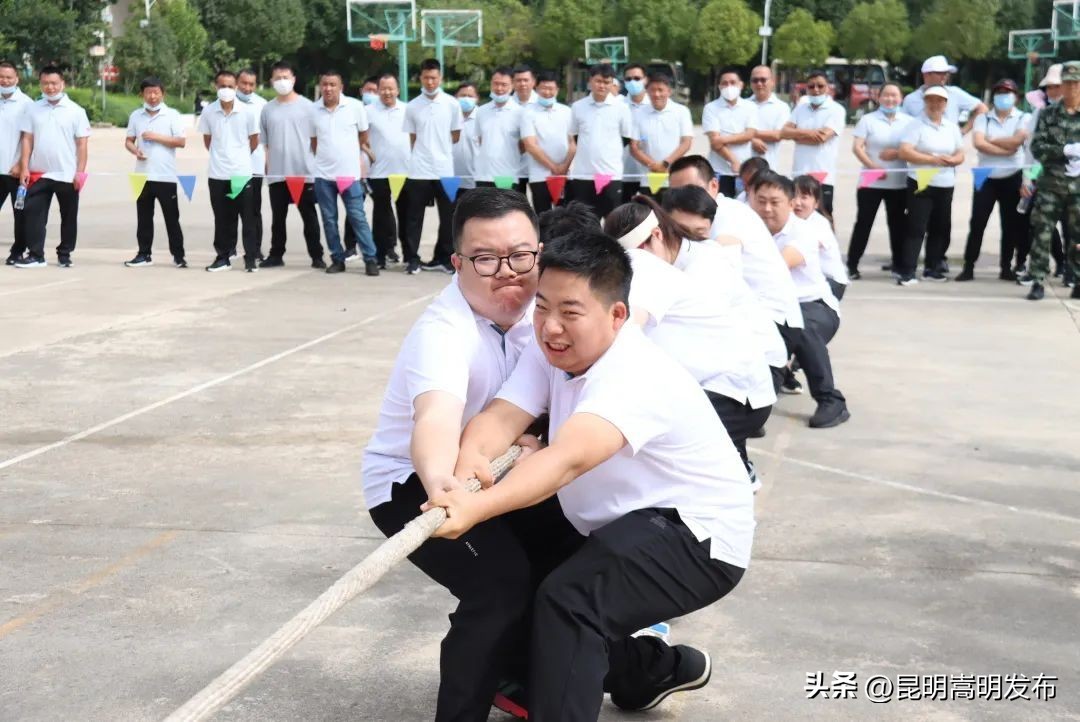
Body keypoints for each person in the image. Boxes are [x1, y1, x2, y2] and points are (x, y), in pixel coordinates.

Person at [425, 227, 753, 722]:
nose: (550, 326)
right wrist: (470, 460)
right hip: (615, 520)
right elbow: (503, 416)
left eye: (570, 312)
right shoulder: (552, 351)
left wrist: (477, 506)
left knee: (571, 601)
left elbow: (566, 460)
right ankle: (647, 672)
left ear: (617, 314)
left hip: (696, 535)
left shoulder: (634, 374)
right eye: (542, 307)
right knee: (513, 577)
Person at [363, 189, 573, 722]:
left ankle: (636, 670)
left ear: (540, 253)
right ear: (457, 263)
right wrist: (440, 482)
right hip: (416, 485)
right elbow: (434, 417)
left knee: (582, 569)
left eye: (521, 255)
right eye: (484, 258)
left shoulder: (544, 315)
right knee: (499, 587)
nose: (507, 272)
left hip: (498, 472)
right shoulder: (443, 331)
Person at [604, 194, 782, 482]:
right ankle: (737, 466)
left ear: (657, 235)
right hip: (721, 375)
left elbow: (634, 325)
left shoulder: (703, 265)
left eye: (633, 259)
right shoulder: (667, 261)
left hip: (743, 384)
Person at [668, 156, 805, 395]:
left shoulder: (727, 217)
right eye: (676, 191)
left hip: (773, 320)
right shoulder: (697, 217)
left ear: (714, 186)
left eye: (691, 189)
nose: (685, 198)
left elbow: (718, 278)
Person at [751, 171, 849, 428]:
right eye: (761, 201)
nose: (767, 208)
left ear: (790, 202)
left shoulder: (804, 231)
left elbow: (778, 267)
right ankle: (752, 412)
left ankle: (831, 400)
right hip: (766, 307)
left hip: (812, 305)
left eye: (775, 202)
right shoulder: (749, 228)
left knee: (799, 325)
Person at [13, 66, 90, 269]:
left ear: (62, 84)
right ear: (41, 84)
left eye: (54, 83)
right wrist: (24, 167)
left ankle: (65, 254)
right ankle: (36, 255)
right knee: (33, 213)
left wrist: (80, 172)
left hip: (67, 174)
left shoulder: (76, 111)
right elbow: (27, 139)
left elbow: (82, 144)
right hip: (39, 173)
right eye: (46, 83)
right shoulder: (33, 109)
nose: (50, 87)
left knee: (68, 216)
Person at [957, 79, 1030, 282]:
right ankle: (968, 266)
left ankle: (1006, 267)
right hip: (985, 175)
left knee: (1010, 225)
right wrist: (1006, 148)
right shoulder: (983, 118)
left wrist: (993, 141)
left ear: (1016, 96)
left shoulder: (1024, 117)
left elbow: (1018, 142)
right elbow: (979, 143)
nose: (1003, 96)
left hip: (1012, 175)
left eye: (1008, 92)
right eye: (999, 92)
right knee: (977, 223)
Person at [310, 69, 378, 276]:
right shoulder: (313, 110)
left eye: (332, 84)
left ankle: (370, 258)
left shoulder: (355, 107)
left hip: (349, 175)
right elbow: (314, 142)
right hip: (323, 176)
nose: (328, 88)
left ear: (341, 87)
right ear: (320, 86)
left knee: (358, 217)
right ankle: (337, 258)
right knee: (329, 220)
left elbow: (363, 136)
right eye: (325, 84)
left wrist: (347, 155)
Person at [259, 60, 325, 269]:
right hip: (277, 173)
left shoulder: (308, 107)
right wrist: (267, 168)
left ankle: (317, 255)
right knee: (278, 219)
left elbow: (317, 140)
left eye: (285, 77)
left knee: (310, 218)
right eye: (277, 78)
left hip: (304, 173)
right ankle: (276, 254)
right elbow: (265, 143)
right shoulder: (267, 110)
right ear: (271, 81)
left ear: (294, 79)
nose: (282, 81)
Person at [896, 86, 965, 285]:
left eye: (939, 101)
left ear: (945, 104)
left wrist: (953, 161)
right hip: (921, 181)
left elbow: (960, 153)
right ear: (925, 102)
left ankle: (932, 268)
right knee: (916, 227)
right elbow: (905, 151)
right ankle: (908, 270)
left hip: (945, 183)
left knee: (940, 227)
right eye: (931, 100)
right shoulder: (915, 125)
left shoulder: (951, 127)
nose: (935, 105)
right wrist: (931, 159)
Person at [1025, 61, 1080, 302]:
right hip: (1051, 185)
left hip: (1078, 186)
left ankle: (1077, 278)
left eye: (1076, 83)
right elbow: (1037, 147)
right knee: (1042, 233)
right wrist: (1064, 150)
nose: (1072, 88)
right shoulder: (1048, 114)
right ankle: (1037, 280)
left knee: (1078, 236)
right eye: (1067, 84)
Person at [195, 70, 259, 272]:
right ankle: (223, 256)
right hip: (217, 174)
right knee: (222, 219)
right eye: (222, 86)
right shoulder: (208, 112)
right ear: (216, 87)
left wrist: (238, 158)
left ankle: (250, 258)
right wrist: (220, 155)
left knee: (247, 218)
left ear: (237, 88)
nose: (226, 90)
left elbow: (254, 140)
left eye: (230, 86)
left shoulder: (247, 112)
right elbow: (207, 140)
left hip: (240, 173)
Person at [847, 82, 913, 279]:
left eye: (894, 95)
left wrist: (898, 153)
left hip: (898, 181)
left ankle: (899, 265)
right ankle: (852, 265)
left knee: (897, 225)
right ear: (878, 97)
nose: (890, 99)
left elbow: (914, 148)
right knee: (864, 223)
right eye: (886, 95)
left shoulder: (909, 122)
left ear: (901, 98)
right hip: (870, 179)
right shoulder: (868, 120)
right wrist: (873, 166)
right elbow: (857, 147)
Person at [405, 59, 463, 275]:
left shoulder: (452, 104)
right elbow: (413, 138)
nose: (430, 82)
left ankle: (444, 258)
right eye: (426, 77)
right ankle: (412, 258)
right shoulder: (412, 106)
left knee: (448, 217)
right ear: (420, 77)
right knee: (414, 217)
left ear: (440, 78)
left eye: (434, 78)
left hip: (445, 169)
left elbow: (455, 135)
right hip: (419, 170)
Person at [123, 77, 187, 269]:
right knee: (143, 218)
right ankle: (144, 254)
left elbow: (181, 142)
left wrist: (156, 136)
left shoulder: (173, 115)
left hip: (165, 175)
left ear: (162, 93)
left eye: (156, 92)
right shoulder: (136, 116)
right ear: (142, 94)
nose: (152, 96)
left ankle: (178, 255)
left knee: (171, 217)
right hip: (141, 175)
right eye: (148, 93)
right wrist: (134, 150)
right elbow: (128, 141)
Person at [1019, 64, 1070, 282]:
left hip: (1074, 182)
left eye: (1058, 86)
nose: (1054, 91)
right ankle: (1037, 273)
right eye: (1049, 87)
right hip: (1045, 178)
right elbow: (1031, 149)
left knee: (1072, 229)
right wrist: (1027, 178)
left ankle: (1071, 271)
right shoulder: (1040, 114)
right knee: (1041, 226)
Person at [568, 64, 632, 218]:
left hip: (611, 174)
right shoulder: (578, 107)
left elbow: (626, 138)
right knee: (586, 222)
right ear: (590, 81)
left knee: (613, 221)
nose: (602, 85)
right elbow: (575, 136)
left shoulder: (622, 108)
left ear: (612, 83)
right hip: (583, 175)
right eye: (598, 81)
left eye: (606, 82)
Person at [781, 70, 846, 215]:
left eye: (820, 86)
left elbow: (822, 138)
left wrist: (796, 135)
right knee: (798, 216)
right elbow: (784, 132)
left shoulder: (836, 110)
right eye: (811, 86)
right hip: (799, 173)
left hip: (823, 175)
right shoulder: (800, 108)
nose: (816, 90)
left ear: (828, 87)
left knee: (824, 216)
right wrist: (811, 133)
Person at [366, 72, 410, 269]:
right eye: (383, 88)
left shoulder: (408, 110)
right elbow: (360, 138)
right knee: (381, 216)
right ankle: (380, 255)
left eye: (391, 88)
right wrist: (367, 152)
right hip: (378, 172)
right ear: (378, 90)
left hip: (406, 171)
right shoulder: (368, 111)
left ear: (397, 90)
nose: (387, 92)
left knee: (407, 215)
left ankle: (410, 255)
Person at [628, 72, 693, 192]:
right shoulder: (638, 114)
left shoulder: (681, 111)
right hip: (648, 179)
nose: (656, 94)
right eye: (652, 90)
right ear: (647, 91)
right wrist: (652, 165)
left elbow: (686, 143)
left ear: (669, 91)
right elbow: (634, 147)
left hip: (674, 177)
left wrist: (666, 163)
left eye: (660, 90)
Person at [520, 70, 575, 214]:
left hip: (565, 174)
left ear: (557, 90)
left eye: (551, 88)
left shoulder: (567, 112)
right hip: (539, 175)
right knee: (542, 215)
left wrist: (564, 167)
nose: (547, 92)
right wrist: (553, 167)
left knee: (565, 216)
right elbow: (530, 145)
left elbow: (573, 143)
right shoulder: (528, 112)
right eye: (543, 88)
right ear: (536, 88)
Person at [701, 68, 758, 198]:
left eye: (733, 82)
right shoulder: (711, 108)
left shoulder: (750, 107)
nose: (729, 86)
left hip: (745, 171)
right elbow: (714, 143)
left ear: (741, 85)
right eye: (724, 83)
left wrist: (722, 139)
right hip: (718, 170)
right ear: (719, 86)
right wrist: (733, 161)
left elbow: (749, 135)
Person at [793, 174, 849, 300]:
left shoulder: (819, 224)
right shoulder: (793, 220)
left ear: (816, 203)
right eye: (794, 197)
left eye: (804, 197)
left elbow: (804, 248)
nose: (797, 202)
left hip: (832, 281)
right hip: (812, 279)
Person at [901, 55, 987, 134]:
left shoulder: (955, 93)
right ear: (926, 75)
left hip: (949, 147)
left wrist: (964, 131)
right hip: (920, 148)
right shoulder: (911, 99)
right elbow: (902, 125)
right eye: (939, 73)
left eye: (946, 73)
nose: (944, 76)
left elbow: (982, 108)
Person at [1, 60, 33, 265]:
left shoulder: (27, 104)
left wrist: (22, 164)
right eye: (1, 77)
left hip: (15, 171)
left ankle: (18, 251)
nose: (4, 81)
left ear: (17, 79)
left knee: (20, 214)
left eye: (8, 77)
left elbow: (29, 138)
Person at [475, 67, 524, 189]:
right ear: (491, 84)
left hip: (508, 176)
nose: (499, 88)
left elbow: (524, 145)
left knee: (506, 208)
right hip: (484, 175)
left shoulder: (521, 113)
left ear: (512, 86)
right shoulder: (481, 111)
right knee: (484, 208)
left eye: (504, 85)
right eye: (496, 84)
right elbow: (481, 140)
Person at [236, 68, 268, 258]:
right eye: (244, 83)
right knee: (231, 211)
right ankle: (229, 249)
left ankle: (256, 249)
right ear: (237, 83)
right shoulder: (227, 103)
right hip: (231, 168)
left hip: (255, 167)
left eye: (251, 84)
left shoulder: (262, 105)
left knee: (254, 210)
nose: (247, 88)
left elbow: (266, 137)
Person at [748, 65, 790, 169]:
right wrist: (752, 140)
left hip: (768, 167)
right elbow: (730, 132)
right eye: (755, 80)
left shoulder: (782, 107)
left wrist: (748, 134)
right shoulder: (742, 105)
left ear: (772, 82)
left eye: (763, 80)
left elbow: (778, 135)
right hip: (742, 168)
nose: (759, 83)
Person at [620, 63, 650, 201]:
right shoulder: (618, 106)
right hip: (623, 172)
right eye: (628, 79)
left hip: (651, 173)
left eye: (637, 78)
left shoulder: (655, 105)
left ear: (646, 80)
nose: (633, 82)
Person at [453, 82, 481, 209]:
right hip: (450, 181)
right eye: (463, 95)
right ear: (455, 97)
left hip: (477, 182)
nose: (466, 99)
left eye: (470, 96)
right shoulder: (448, 117)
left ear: (477, 98)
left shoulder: (483, 118)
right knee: (450, 221)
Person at [511, 65, 538, 194]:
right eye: (518, 80)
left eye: (526, 80)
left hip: (539, 166)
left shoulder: (542, 103)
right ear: (513, 82)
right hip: (513, 167)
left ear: (533, 82)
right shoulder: (507, 104)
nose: (522, 84)